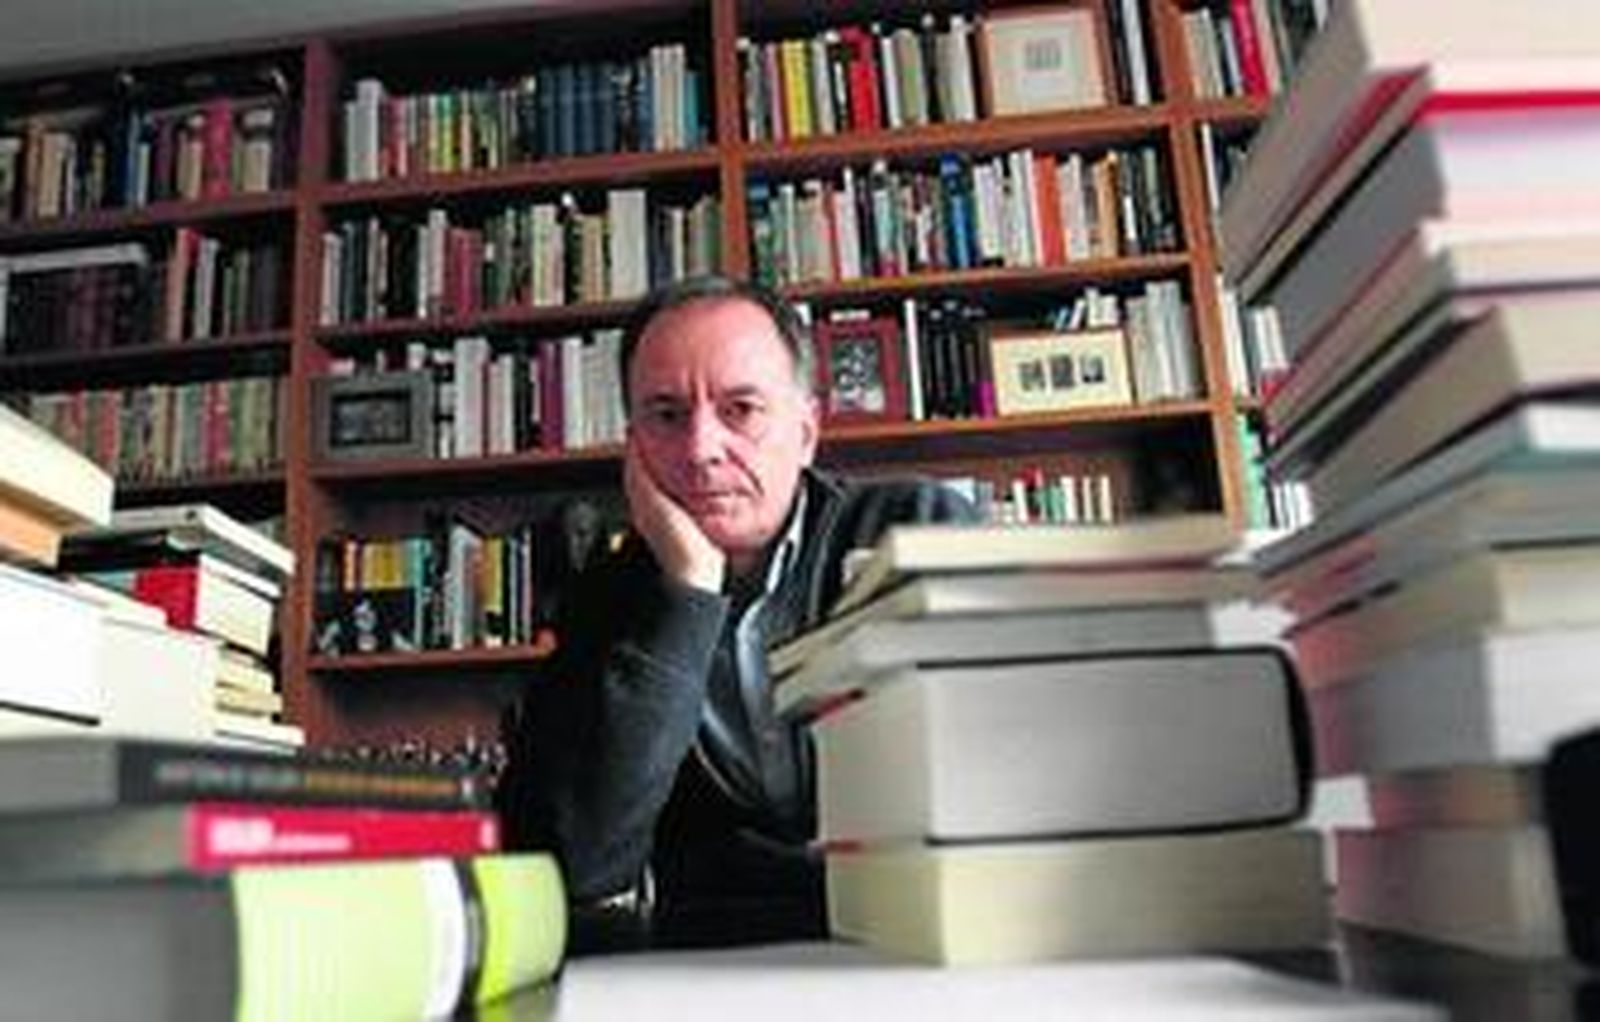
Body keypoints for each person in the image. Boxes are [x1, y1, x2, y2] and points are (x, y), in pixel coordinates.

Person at [496, 275, 976, 941]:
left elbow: (1010, 792)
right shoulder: (604, 598)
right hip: (720, 963)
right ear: (633, 445)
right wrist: (687, 593)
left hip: (927, 941)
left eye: (741, 409)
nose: (700, 449)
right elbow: (571, 866)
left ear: (805, 432)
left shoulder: (916, 530)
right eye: (666, 415)